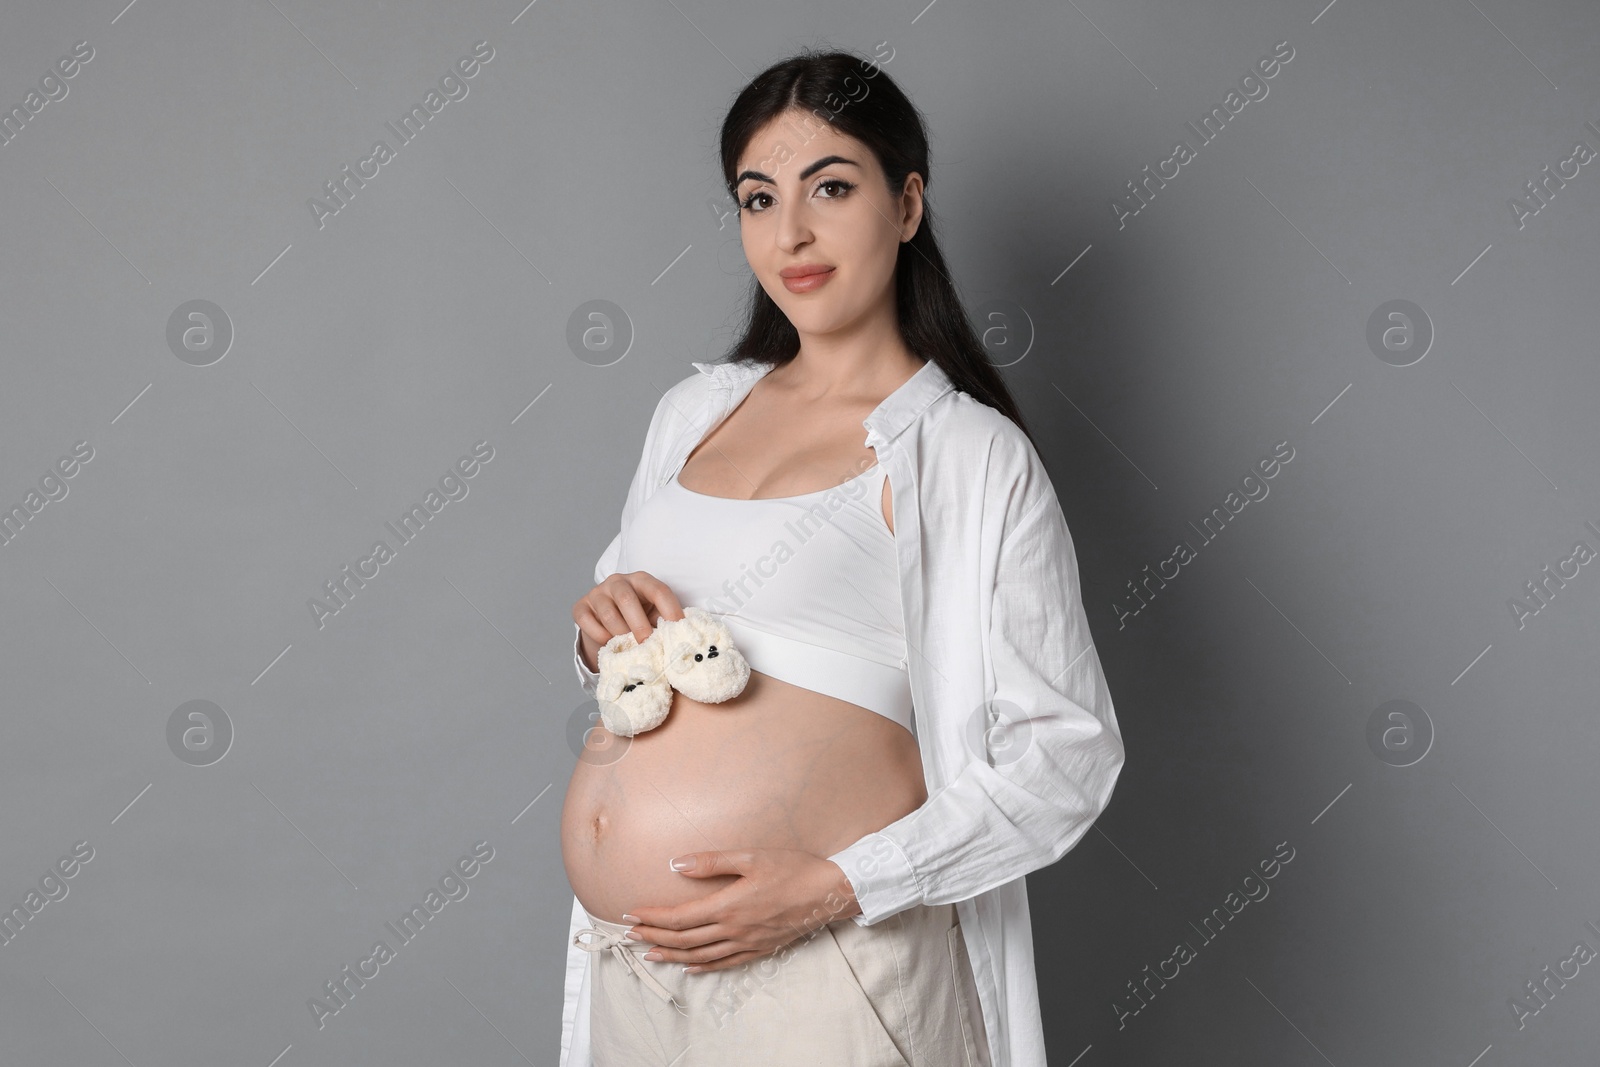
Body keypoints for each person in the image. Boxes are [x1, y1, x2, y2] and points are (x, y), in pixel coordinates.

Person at [560, 48, 1125, 1067]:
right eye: (757, 196)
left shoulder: (964, 455)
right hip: (631, 969)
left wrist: (837, 887)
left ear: (907, 204)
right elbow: (625, 647)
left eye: (830, 186)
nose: (791, 233)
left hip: (830, 974)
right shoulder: (691, 413)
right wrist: (601, 624)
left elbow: (1065, 756)